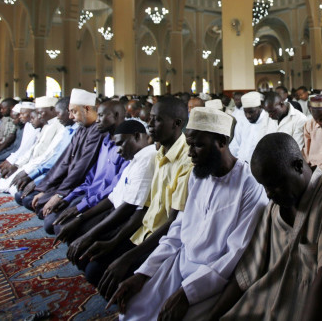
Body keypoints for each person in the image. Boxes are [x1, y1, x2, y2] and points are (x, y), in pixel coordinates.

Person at [109, 107, 267, 319]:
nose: (190, 152)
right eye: (189, 144)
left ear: (222, 142)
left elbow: (235, 254)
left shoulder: (250, 185)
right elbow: (177, 231)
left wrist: (187, 293)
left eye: (198, 145)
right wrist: (143, 273)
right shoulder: (198, 174)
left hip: (214, 278)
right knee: (133, 309)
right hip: (180, 262)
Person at [210, 133, 322, 320]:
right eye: (264, 186)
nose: (269, 194)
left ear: (298, 166)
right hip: (259, 305)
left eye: (276, 184)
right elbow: (246, 274)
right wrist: (212, 316)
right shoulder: (273, 209)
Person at [83, 96, 192, 300]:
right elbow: (145, 209)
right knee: (93, 264)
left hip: (162, 242)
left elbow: (173, 224)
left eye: (156, 120)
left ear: (177, 124)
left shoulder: (186, 162)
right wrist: (115, 243)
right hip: (143, 233)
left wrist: (128, 257)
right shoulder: (160, 153)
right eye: (150, 118)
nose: (149, 125)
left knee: (103, 275)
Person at [56, 120, 155, 252]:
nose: (118, 151)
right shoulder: (134, 159)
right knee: (69, 229)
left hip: (126, 219)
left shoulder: (148, 158)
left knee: (86, 254)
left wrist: (89, 235)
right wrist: (80, 218)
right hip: (115, 211)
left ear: (137, 136)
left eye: (121, 144)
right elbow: (113, 197)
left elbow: (128, 207)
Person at [41, 100, 127, 234]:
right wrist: (67, 198)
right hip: (90, 195)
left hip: (105, 203)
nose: (97, 120)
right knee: (50, 220)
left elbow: (114, 188)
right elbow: (90, 179)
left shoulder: (126, 147)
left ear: (116, 116)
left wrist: (81, 207)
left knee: (61, 228)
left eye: (101, 116)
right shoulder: (105, 142)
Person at [20, 89, 106, 217]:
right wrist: (45, 188)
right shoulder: (82, 128)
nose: (71, 117)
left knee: (48, 218)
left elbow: (82, 167)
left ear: (87, 109)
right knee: (32, 201)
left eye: (74, 111)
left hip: (80, 184)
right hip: (68, 182)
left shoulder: (97, 131)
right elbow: (64, 160)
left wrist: (60, 194)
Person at [229, 91, 273, 164]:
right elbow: (235, 145)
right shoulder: (242, 121)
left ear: (260, 107)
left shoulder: (269, 122)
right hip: (241, 166)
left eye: (251, 112)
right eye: (245, 112)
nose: (248, 116)